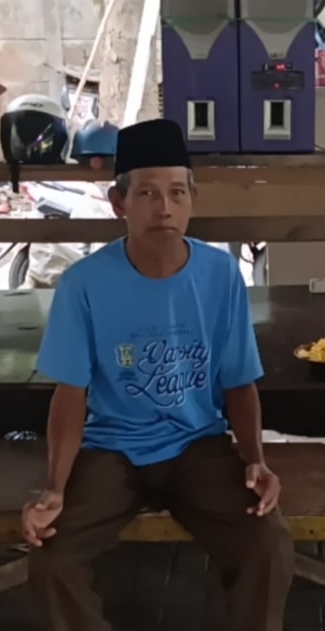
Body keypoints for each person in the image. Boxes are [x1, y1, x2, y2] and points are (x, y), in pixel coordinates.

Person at [20, 119, 294, 631]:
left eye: (176, 192)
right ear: (118, 202)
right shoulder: (84, 284)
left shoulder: (220, 275)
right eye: (146, 193)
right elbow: (70, 394)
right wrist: (54, 487)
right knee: (51, 557)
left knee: (268, 543)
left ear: (192, 200)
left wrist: (256, 459)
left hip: (197, 445)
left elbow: (238, 381)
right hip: (112, 449)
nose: (163, 207)